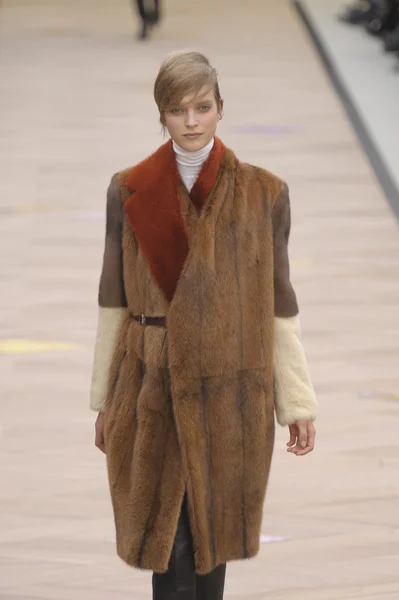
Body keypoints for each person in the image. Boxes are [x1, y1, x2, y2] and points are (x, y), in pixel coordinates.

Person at [90, 50, 317, 600]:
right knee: (170, 548)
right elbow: (112, 300)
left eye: (202, 107)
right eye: (177, 109)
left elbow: (279, 304)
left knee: (211, 547)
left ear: (221, 109)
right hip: (151, 383)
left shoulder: (266, 194)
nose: (191, 122)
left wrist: (297, 402)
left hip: (231, 387)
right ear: (161, 115)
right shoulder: (129, 190)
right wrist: (103, 399)